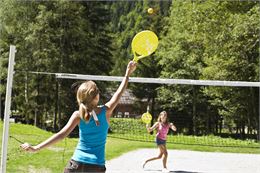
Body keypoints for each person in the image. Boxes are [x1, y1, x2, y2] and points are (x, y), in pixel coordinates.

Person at [20, 61, 137, 173]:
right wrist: (127, 74)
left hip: (75, 165)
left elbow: (61, 135)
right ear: (96, 97)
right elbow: (119, 93)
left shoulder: (78, 115)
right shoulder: (106, 111)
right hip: (96, 167)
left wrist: (36, 148)